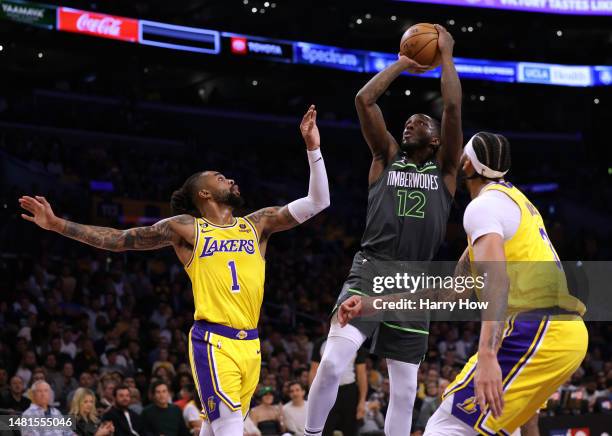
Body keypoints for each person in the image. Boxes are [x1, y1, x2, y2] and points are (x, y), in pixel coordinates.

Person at [19, 105, 330, 436]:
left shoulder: (258, 224)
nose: (232, 179)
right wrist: (57, 225)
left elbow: (318, 202)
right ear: (204, 192)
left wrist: (313, 148)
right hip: (214, 341)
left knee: (217, 428)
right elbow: (121, 240)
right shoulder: (187, 229)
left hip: (251, 343)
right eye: (221, 177)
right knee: (228, 429)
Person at [339, 132, 588, 434]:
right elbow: (452, 291)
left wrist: (486, 355)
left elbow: (496, 280)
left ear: (468, 164)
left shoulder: (482, 208)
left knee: (444, 427)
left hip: (537, 330)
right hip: (565, 336)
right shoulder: (514, 204)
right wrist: (373, 305)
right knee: (515, 425)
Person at [304, 25, 462, 436]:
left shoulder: (446, 169)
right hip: (370, 269)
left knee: (406, 389)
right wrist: (403, 63)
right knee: (334, 363)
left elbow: (453, 110)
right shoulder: (386, 155)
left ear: (435, 140)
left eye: (419, 122)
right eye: (407, 121)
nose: (410, 124)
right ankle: (308, 433)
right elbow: (364, 99)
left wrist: (445, 55)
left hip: (414, 281)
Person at [308, 337, 367, 436]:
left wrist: (362, 401)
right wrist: (312, 398)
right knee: (324, 430)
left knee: (351, 430)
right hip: (325, 392)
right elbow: (313, 371)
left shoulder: (356, 342)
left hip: (349, 392)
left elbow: (361, 373)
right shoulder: (321, 343)